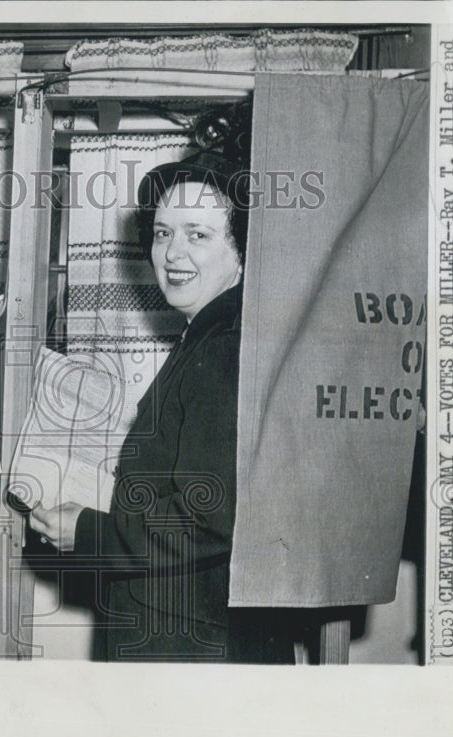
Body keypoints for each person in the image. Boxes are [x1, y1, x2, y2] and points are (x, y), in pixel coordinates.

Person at [29, 152, 295, 663]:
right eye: (162, 232)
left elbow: (211, 516)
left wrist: (87, 531)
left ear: (242, 251)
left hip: (192, 643)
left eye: (198, 235)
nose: (172, 253)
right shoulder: (214, 336)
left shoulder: (223, 349)